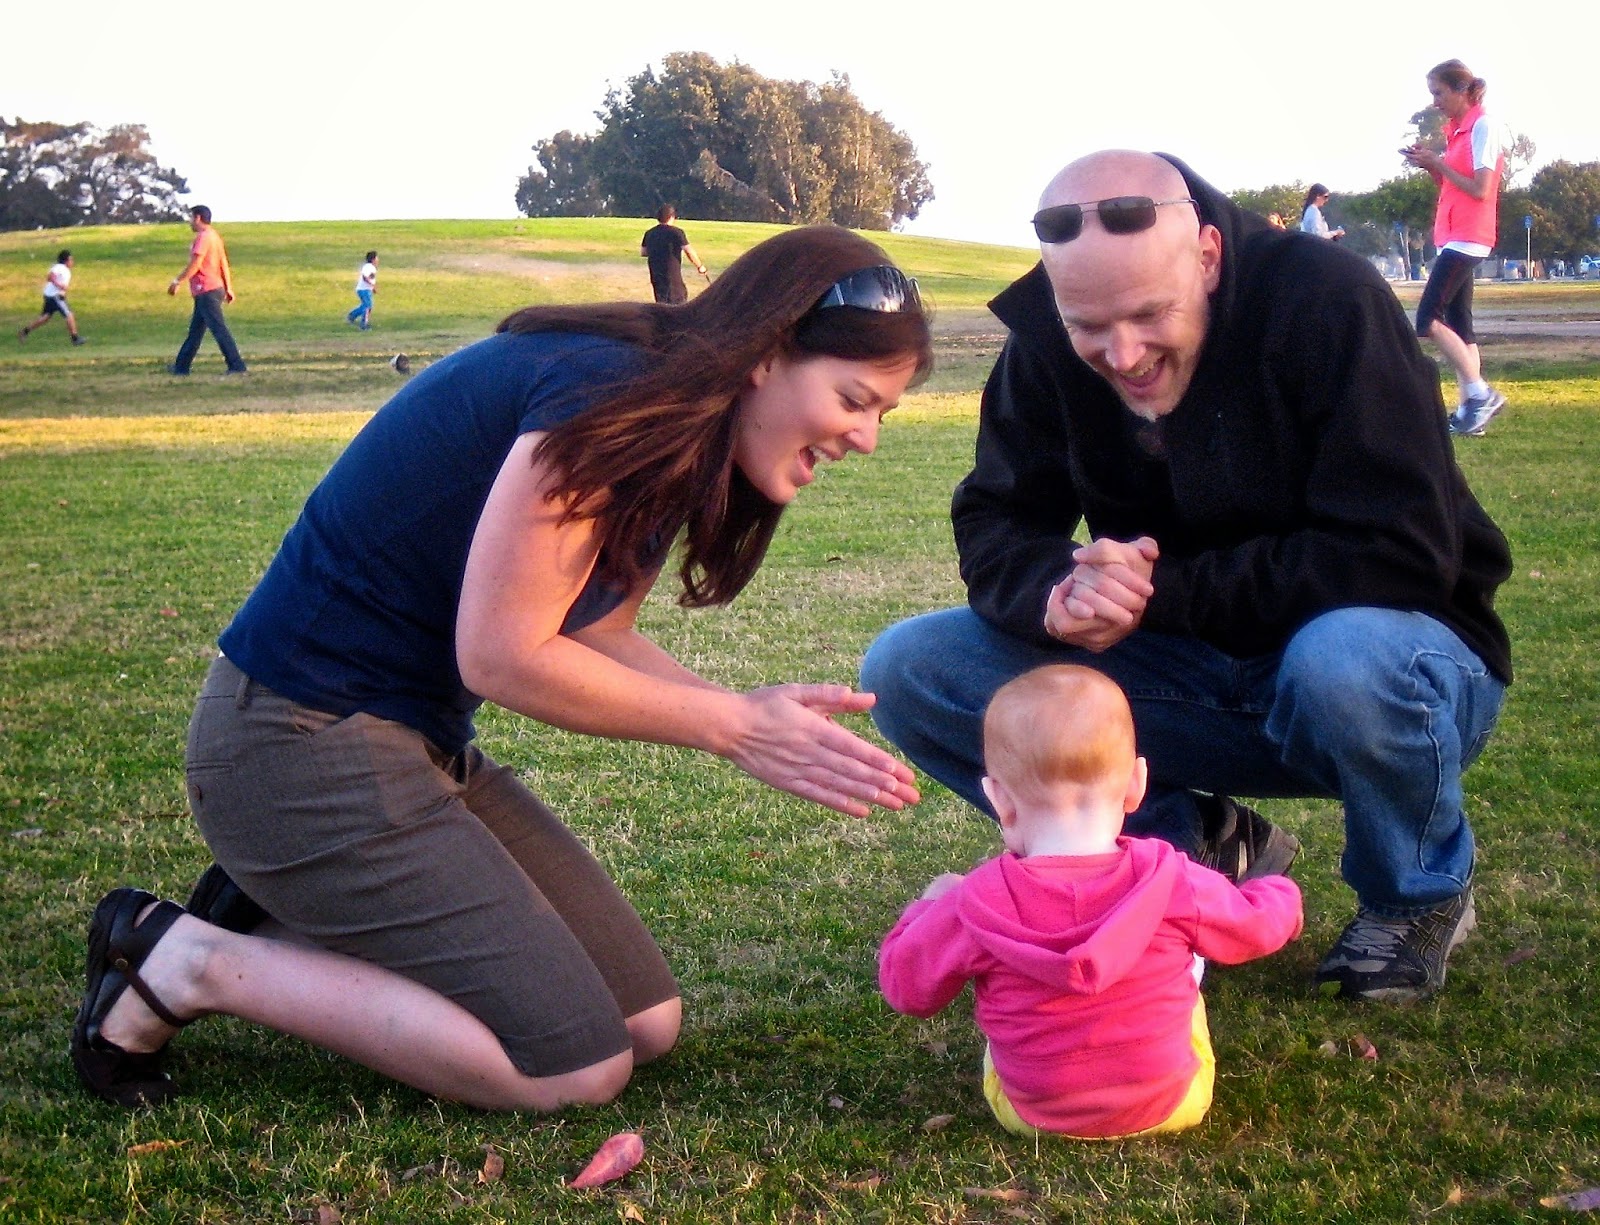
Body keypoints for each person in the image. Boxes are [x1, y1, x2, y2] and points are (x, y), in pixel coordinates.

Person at [71, 225, 932, 1112]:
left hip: (415, 746)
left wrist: (745, 712)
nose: (866, 437)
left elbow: (590, 631)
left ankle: (278, 906)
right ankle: (187, 959)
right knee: (571, 1068)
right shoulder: (605, 394)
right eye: (854, 399)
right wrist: (734, 729)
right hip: (292, 742)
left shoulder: (672, 422)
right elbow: (501, 655)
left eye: (883, 413)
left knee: (645, 1020)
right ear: (768, 353)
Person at [860, 149, 1512, 1007]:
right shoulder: (1049, 339)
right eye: (1090, 325)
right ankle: (1188, 847)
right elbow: (997, 517)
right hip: (1185, 668)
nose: (1123, 353)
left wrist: (1161, 592)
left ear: (1207, 255)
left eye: (1149, 315)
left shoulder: (1329, 301)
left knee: (1343, 659)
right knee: (912, 669)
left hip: (1392, 663)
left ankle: (1416, 892)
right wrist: (1057, 595)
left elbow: (1400, 552)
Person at [879, 666, 1302, 1140]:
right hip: (1173, 1103)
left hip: (1030, 1115)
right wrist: (1279, 893)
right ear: (1137, 784)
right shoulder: (1172, 879)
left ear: (999, 800)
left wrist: (929, 907)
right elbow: (1257, 928)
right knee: (1190, 967)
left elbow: (906, 988)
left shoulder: (974, 903)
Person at [1402, 59, 1508, 437]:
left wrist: (1439, 162)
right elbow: (1453, 185)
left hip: (1469, 235)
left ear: (1461, 90)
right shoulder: (1457, 131)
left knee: (1427, 319)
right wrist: (1432, 166)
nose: (1435, 102)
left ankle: (1480, 393)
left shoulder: (1483, 126)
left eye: (1439, 93)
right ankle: (1470, 415)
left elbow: (1481, 189)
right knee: (1461, 324)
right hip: (1453, 234)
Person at [167, 204, 247, 375]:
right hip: (213, 289)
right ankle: (181, 367)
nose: (189, 222)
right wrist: (228, 287)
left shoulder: (203, 238)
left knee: (219, 329)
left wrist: (177, 281)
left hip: (206, 290)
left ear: (198, 218)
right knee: (195, 332)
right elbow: (223, 263)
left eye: (191, 217)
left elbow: (196, 264)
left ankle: (237, 366)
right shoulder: (215, 237)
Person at [641, 205, 708, 304]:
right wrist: (700, 266)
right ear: (672, 217)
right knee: (678, 302)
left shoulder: (649, 233)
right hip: (672, 274)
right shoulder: (677, 232)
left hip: (656, 274)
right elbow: (688, 251)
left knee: (661, 302)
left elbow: (644, 252)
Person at [18, 249, 85, 345]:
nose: (72, 262)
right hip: (54, 296)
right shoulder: (59, 267)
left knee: (45, 318)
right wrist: (59, 286)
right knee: (69, 315)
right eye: (71, 260)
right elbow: (50, 277)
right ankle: (75, 339)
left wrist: (63, 292)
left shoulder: (64, 269)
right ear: (66, 260)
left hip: (50, 295)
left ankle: (24, 331)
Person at [346, 250, 378, 330]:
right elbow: (365, 277)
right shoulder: (368, 267)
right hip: (364, 290)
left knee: (365, 306)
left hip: (366, 289)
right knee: (367, 306)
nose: (378, 260)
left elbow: (371, 278)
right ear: (373, 259)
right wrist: (372, 285)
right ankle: (364, 325)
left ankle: (351, 316)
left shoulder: (371, 267)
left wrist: (372, 287)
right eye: (376, 258)